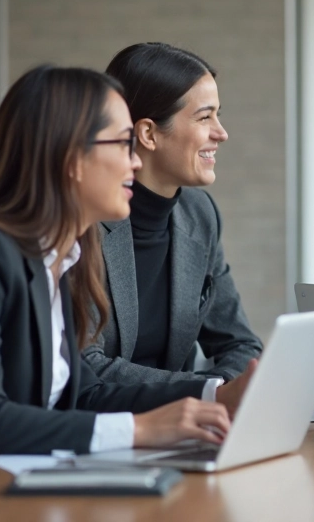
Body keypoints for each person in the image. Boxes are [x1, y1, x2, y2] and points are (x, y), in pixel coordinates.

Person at [0, 66, 254, 502]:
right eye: (123, 144)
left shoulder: (64, 254)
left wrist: (205, 398)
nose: (137, 161)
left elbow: (81, 393)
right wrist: (141, 429)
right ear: (71, 158)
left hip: (35, 486)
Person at [81, 43, 262, 384]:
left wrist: (217, 393)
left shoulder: (200, 214)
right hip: (102, 427)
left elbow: (242, 344)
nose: (221, 133)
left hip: (182, 429)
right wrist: (207, 393)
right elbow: (86, 367)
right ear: (148, 133)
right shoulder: (83, 222)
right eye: (205, 116)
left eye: (218, 115)